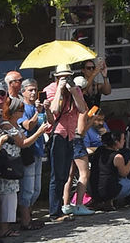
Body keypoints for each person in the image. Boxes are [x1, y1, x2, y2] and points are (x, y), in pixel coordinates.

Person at [0, 98, 49, 235]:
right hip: (7, 166)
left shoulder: (15, 125)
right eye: (20, 110)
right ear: (12, 112)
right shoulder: (6, 126)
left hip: (15, 164)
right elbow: (23, 143)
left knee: (12, 197)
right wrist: (39, 133)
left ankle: (10, 226)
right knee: (7, 198)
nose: (22, 112)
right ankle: (5, 229)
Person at [44, 64, 87, 220]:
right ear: (56, 77)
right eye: (62, 77)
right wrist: (59, 92)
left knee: (65, 175)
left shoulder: (75, 89)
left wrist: (73, 91)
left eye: (68, 76)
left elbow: (82, 109)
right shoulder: (50, 89)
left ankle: (60, 209)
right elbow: (54, 110)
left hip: (70, 135)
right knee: (57, 175)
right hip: (58, 134)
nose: (65, 79)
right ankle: (54, 212)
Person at [16, 79, 45, 232]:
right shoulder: (22, 108)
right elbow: (28, 125)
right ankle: (25, 222)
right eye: (30, 90)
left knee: (36, 189)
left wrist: (45, 109)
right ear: (23, 92)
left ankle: (29, 217)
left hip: (39, 150)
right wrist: (37, 113)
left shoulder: (38, 107)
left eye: (35, 90)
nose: (33, 93)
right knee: (27, 190)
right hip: (27, 152)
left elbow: (49, 123)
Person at [87, 131, 130, 210]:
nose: (124, 141)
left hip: (92, 189)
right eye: (123, 139)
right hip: (107, 190)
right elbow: (124, 173)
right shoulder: (117, 156)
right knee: (129, 184)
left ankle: (97, 201)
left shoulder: (98, 151)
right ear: (116, 142)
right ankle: (108, 201)